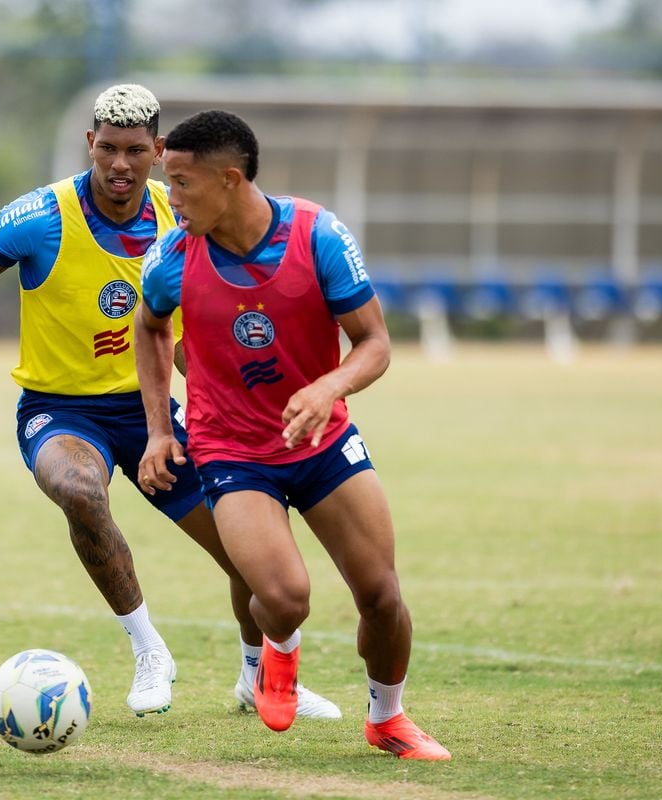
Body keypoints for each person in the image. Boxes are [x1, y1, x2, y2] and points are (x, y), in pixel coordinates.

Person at [0, 84, 339, 719]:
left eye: (136, 151)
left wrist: (222, 400)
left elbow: (178, 327)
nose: (120, 164)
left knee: (248, 550)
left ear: (159, 150)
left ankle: (257, 677)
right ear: (90, 144)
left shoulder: (181, 218)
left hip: (150, 412)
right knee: (81, 491)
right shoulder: (40, 217)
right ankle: (150, 652)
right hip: (60, 411)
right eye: (108, 149)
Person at [135, 109, 450, 759]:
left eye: (180, 184)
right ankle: (277, 657)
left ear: (229, 179)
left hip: (322, 442)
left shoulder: (317, 237)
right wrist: (158, 431)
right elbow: (149, 327)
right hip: (230, 451)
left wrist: (328, 386)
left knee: (381, 596)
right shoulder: (171, 257)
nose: (169, 199)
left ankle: (386, 718)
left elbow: (373, 344)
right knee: (283, 596)